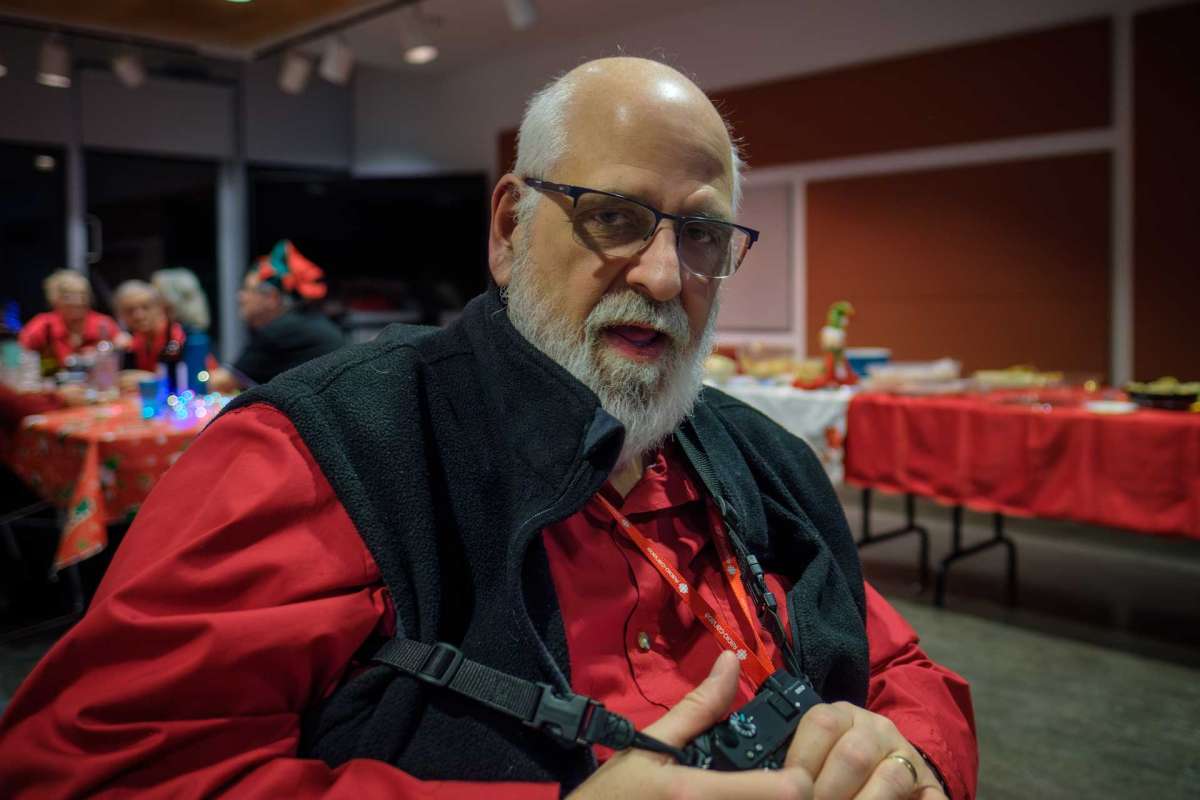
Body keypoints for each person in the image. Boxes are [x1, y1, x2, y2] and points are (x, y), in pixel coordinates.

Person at [0, 58, 977, 799]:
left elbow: (903, 668)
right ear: (509, 229)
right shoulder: (323, 453)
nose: (664, 275)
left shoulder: (761, 461)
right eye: (615, 217)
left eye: (702, 234)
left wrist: (911, 758)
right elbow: (87, 773)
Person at [205, 240, 345, 392]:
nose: (241, 297)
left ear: (271, 298)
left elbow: (220, 383)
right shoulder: (305, 322)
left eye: (247, 290)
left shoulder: (282, 330)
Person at [17, 270, 122, 373]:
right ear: (55, 300)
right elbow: (19, 352)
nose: (77, 302)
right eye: (68, 297)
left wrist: (107, 350)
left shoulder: (103, 323)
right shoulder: (44, 324)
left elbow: (124, 344)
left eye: (82, 295)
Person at [112, 280, 186, 374]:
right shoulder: (133, 342)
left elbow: (193, 376)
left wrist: (144, 378)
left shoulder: (179, 337)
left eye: (146, 307)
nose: (139, 316)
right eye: (130, 310)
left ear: (160, 307)